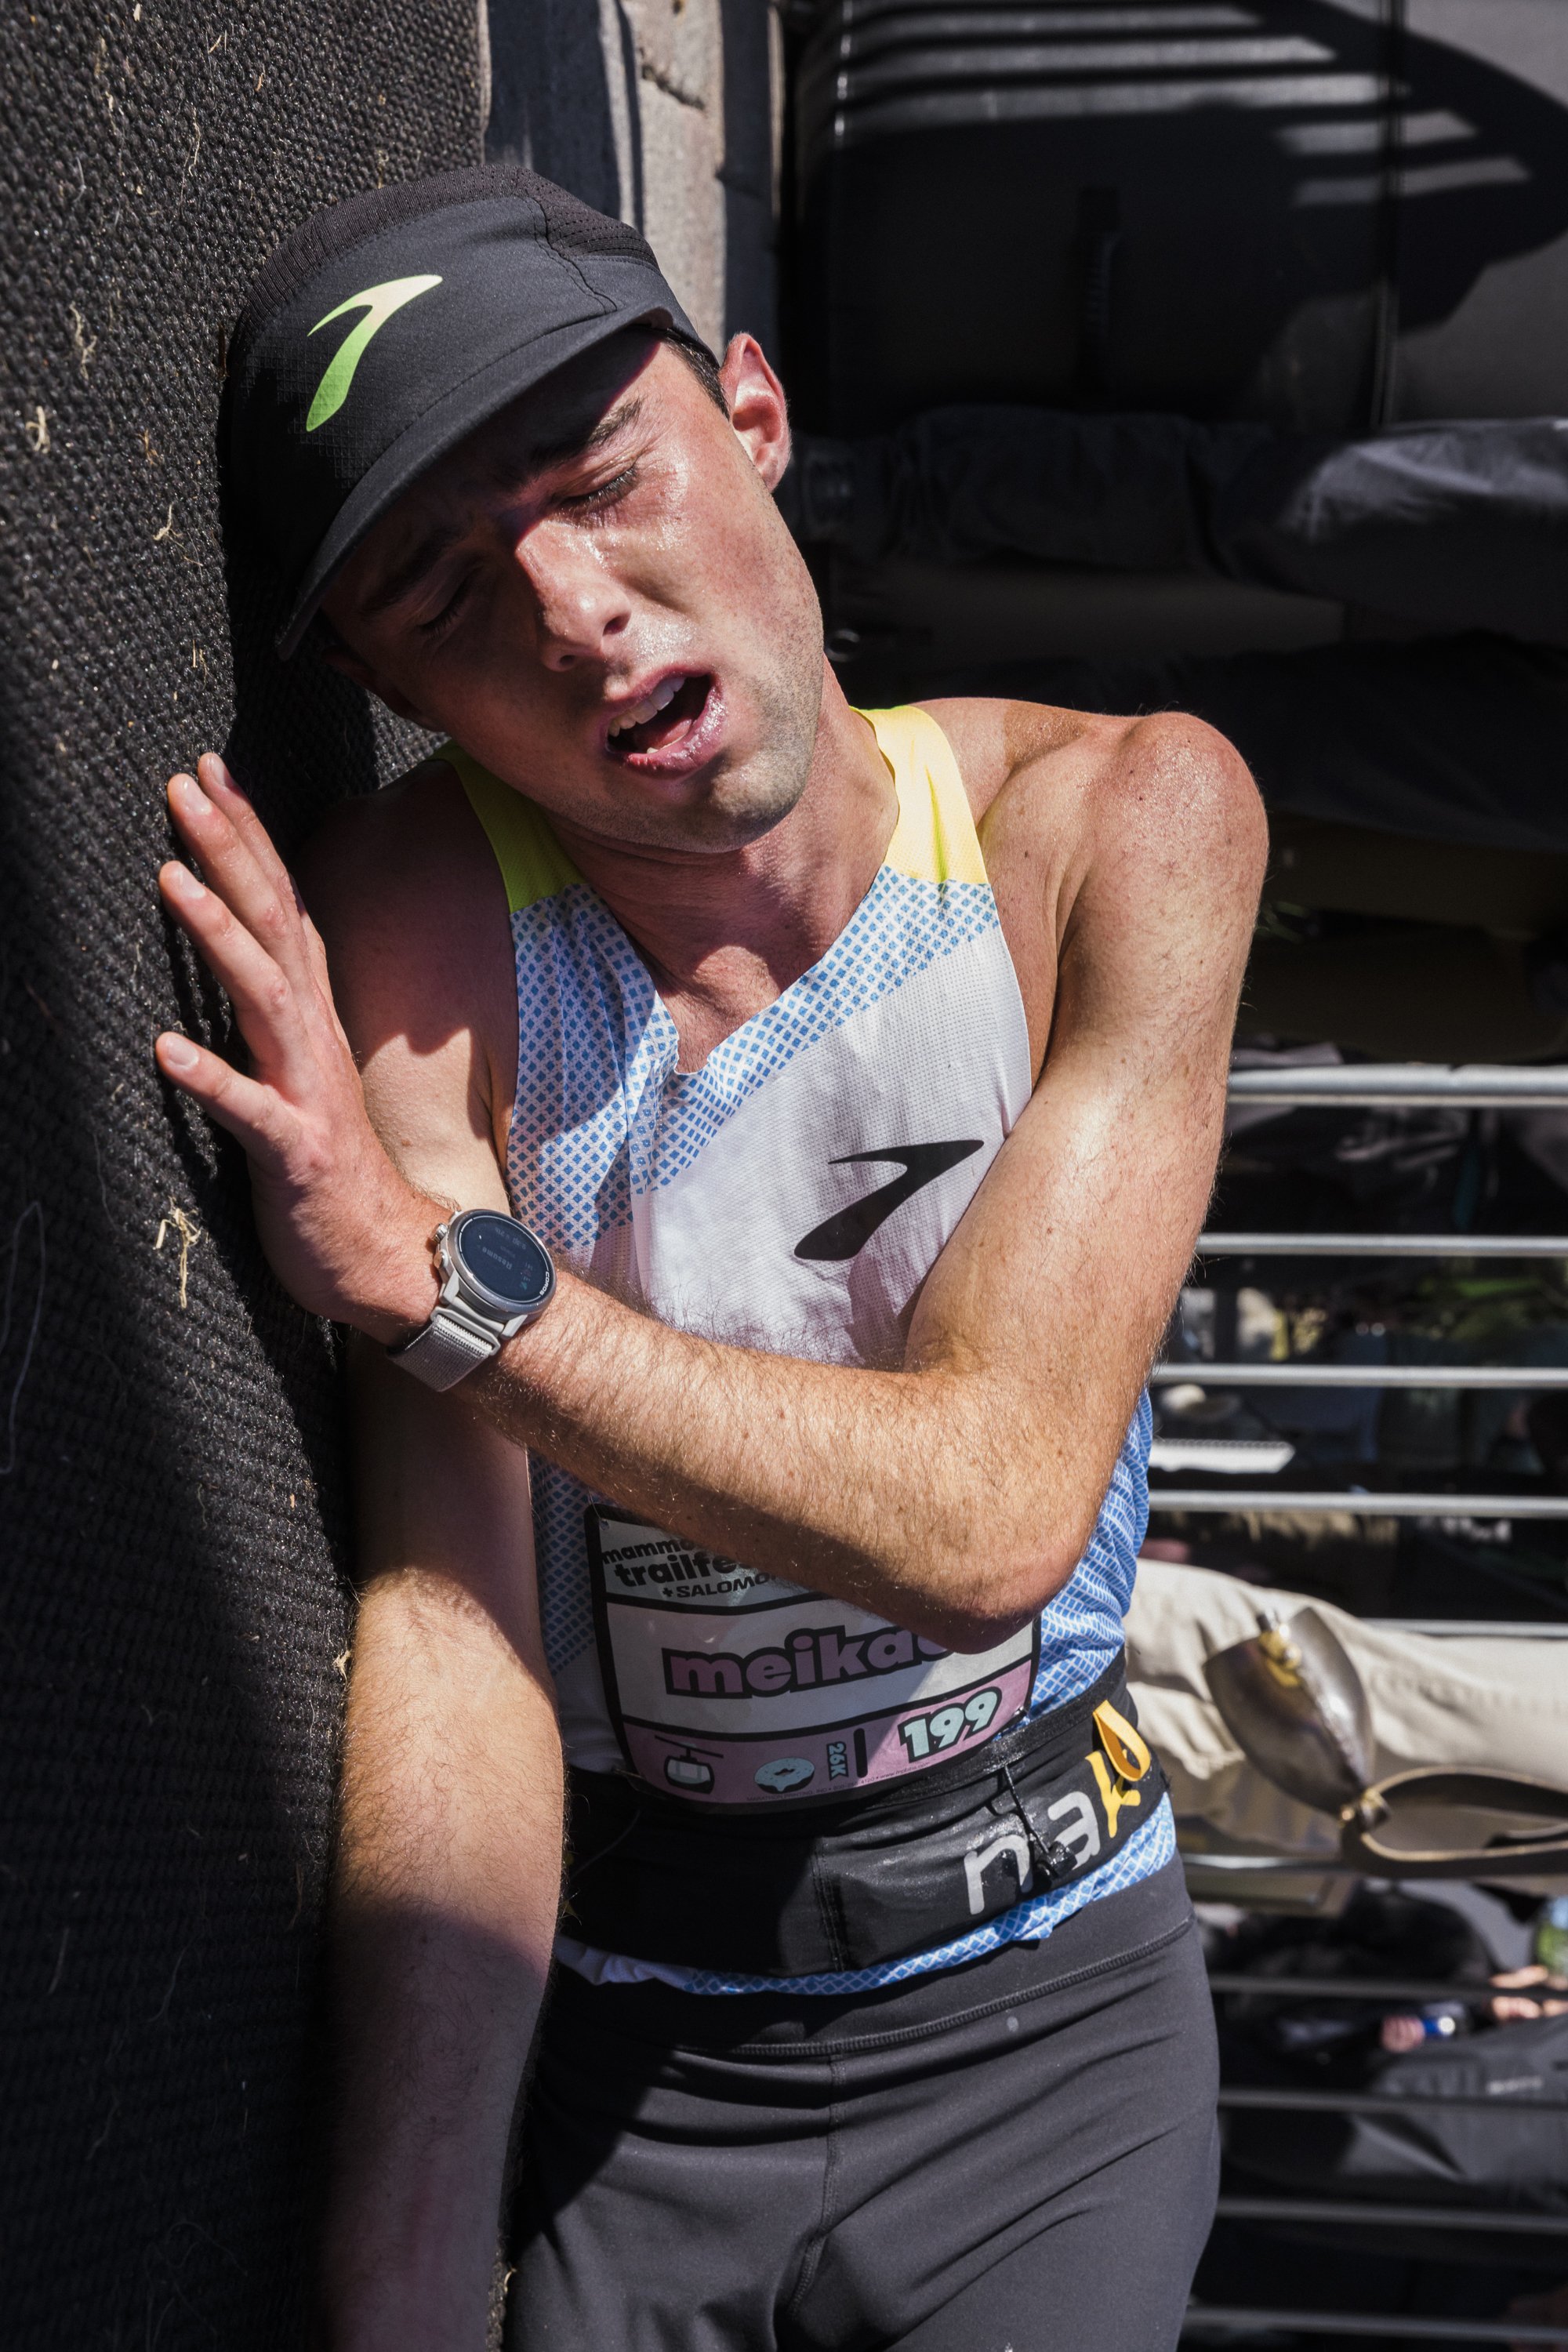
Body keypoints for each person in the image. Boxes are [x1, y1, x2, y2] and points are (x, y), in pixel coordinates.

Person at [153, 165, 1265, 2350]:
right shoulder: (420, 937)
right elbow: (452, 1626)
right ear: (380, 674)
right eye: (444, 592)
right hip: (643, 2057)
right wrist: (392, 2292)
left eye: (600, 480)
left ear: (750, 410)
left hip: (1055, 2036)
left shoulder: (1117, 830)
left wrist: (457, 1287)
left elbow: (990, 1513)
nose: (575, 610)